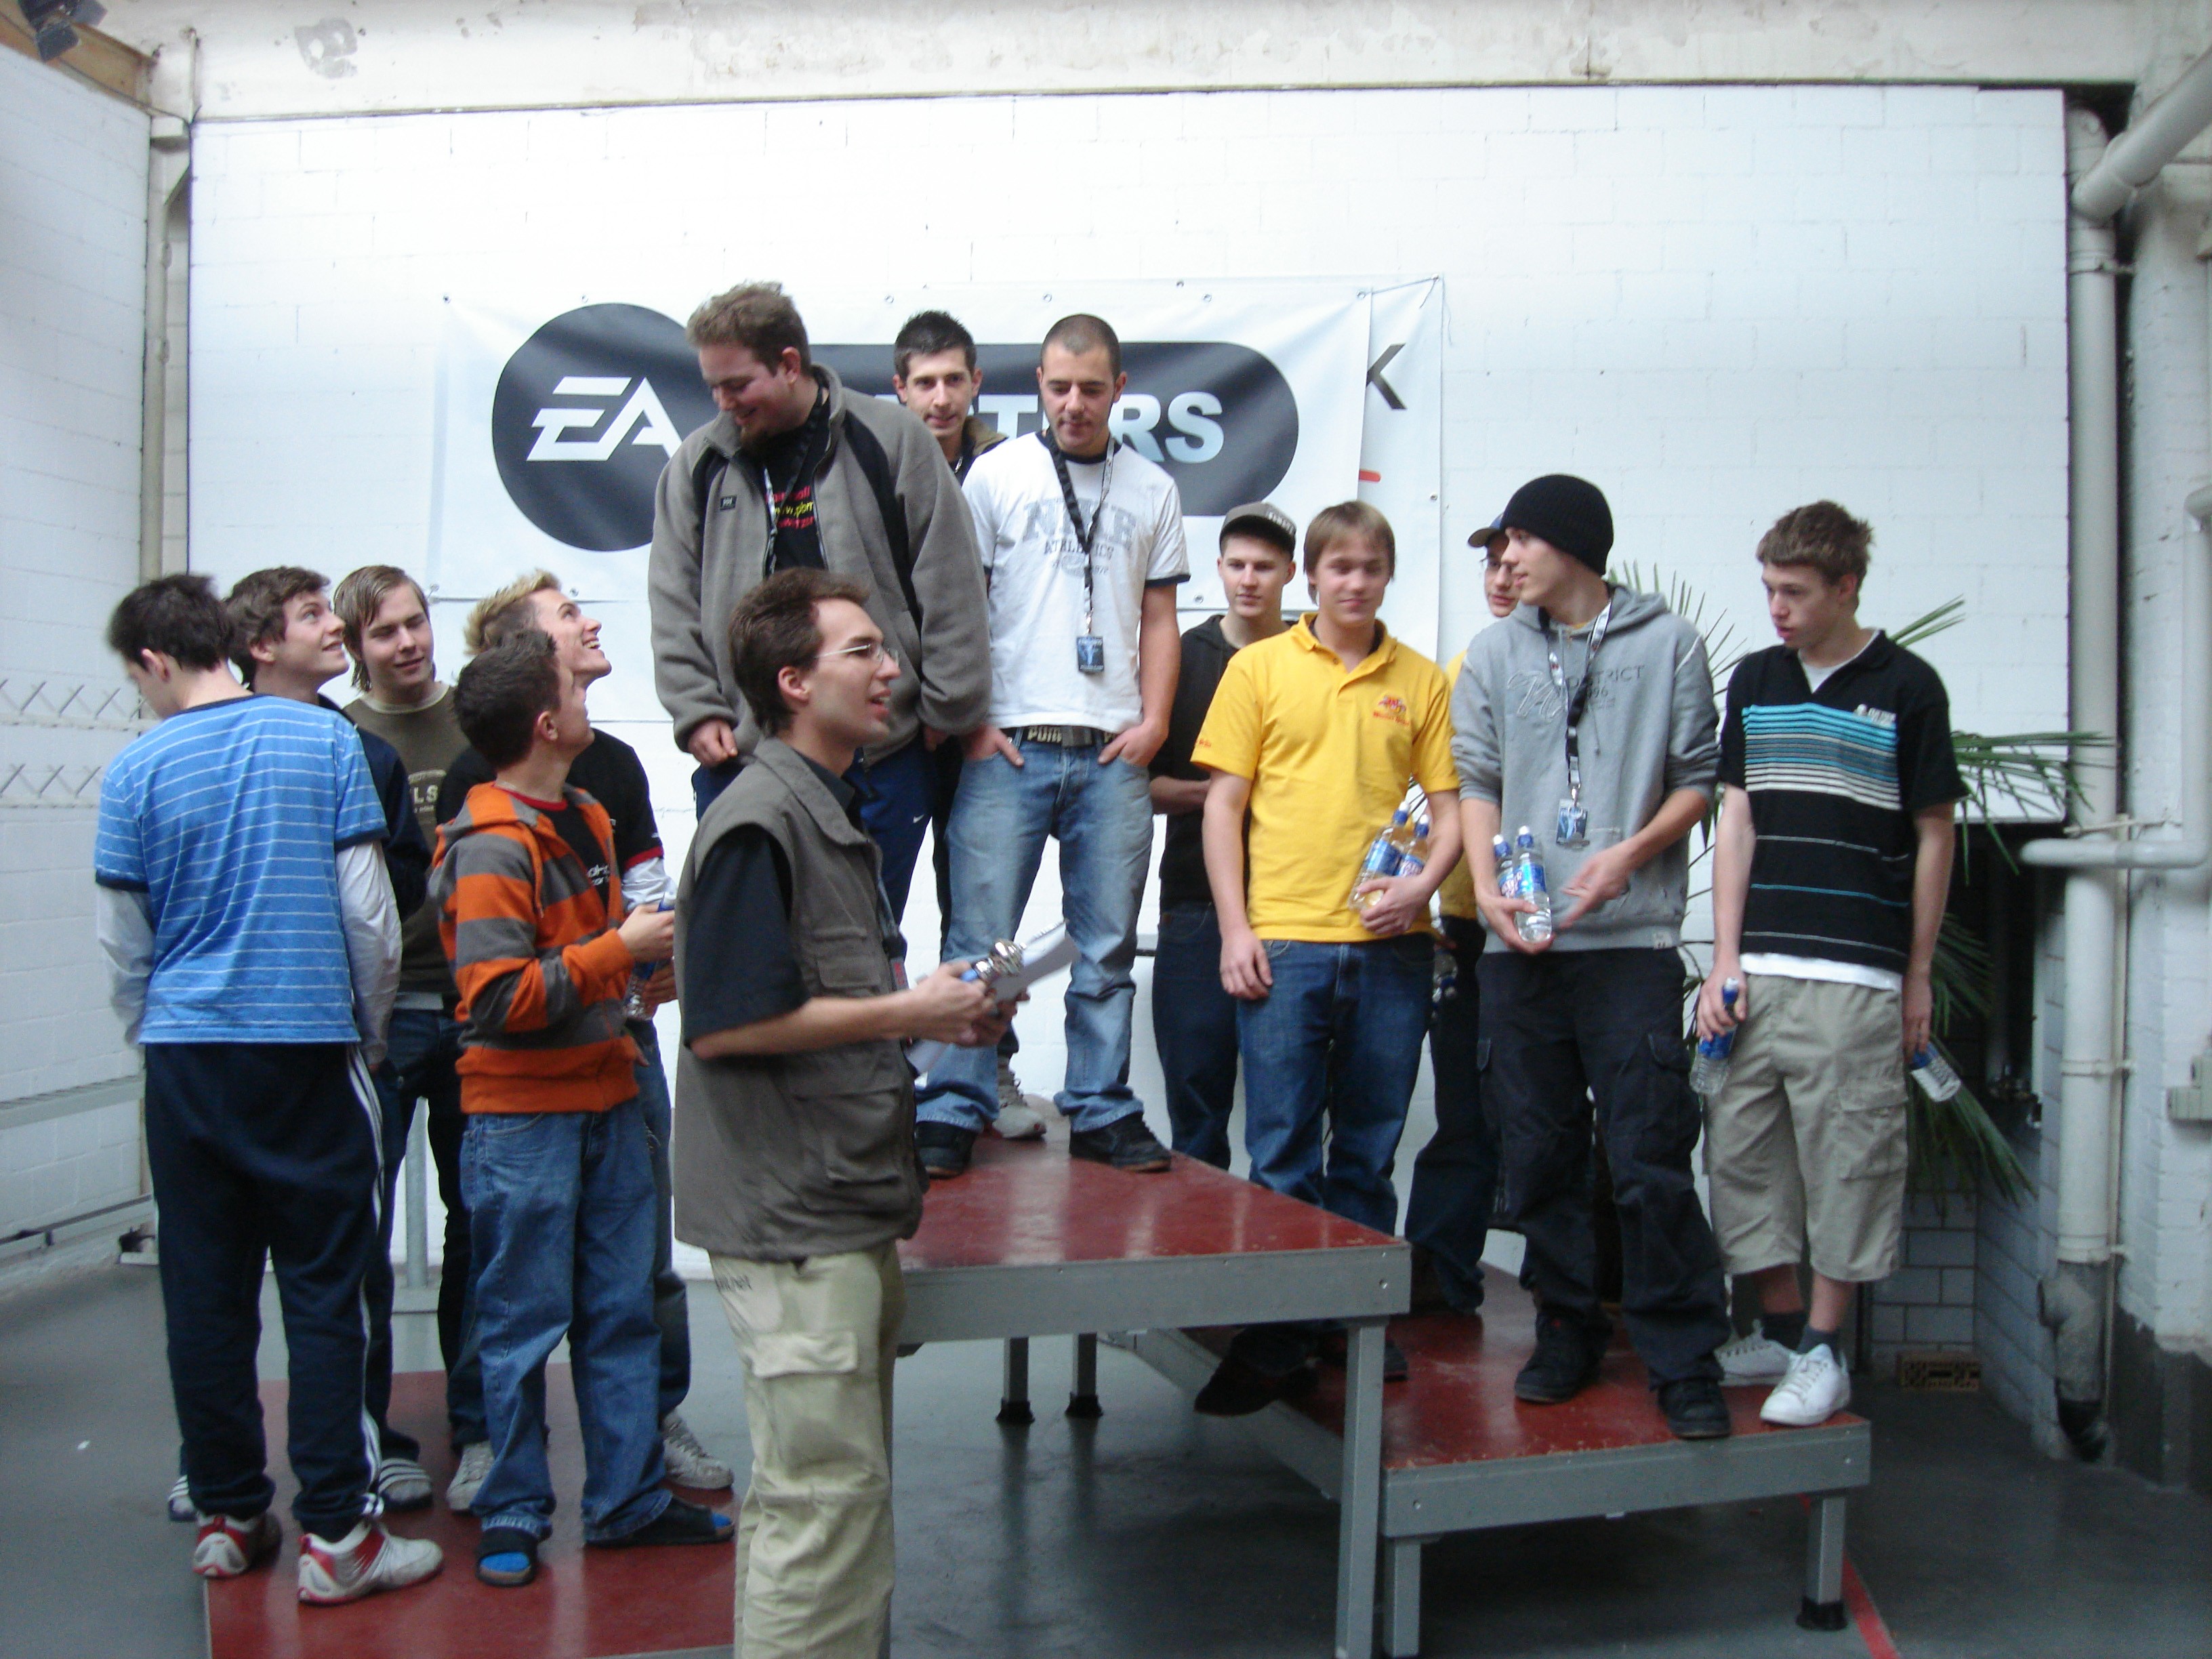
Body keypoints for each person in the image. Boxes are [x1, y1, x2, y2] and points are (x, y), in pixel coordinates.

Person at [672, 569, 1010, 1659]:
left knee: (836, 1497)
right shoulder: (758, 821)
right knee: (819, 1507)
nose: (891, 672)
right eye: (862, 651)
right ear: (791, 681)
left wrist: (939, 1020)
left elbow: (822, 1006)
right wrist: (910, 1009)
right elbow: (726, 1026)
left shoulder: (826, 809)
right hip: (793, 1218)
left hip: (838, 1200)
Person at [94, 573, 441, 1602]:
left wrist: (158, 1032)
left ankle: (229, 1513)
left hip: (186, 1063)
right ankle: (338, 1536)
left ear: (154, 661)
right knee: (328, 1292)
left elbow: (123, 944)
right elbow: (370, 917)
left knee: (204, 1294)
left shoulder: (134, 769)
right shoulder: (326, 742)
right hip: (307, 1051)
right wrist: (366, 1033)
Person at [432, 631, 732, 1587]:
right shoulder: (488, 843)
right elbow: (495, 1000)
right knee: (520, 1321)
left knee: (621, 1309)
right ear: (545, 723)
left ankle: (627, 1501)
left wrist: (644, 975)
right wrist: (619, 952)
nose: (587, 689)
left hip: (609, 1097)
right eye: (572, 686)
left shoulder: (590, 814)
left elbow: (587, 962)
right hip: (522, 1120)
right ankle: (514, 1507)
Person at [1453, 473, 1734, 1441]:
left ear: (1572, 544)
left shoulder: (1669, 643)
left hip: (1630, 943)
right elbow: (1477, 777)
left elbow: (1698, 778)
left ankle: (1683, 1357)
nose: (1506, 560)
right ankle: (1567, 1327)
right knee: (1538, 1153)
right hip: (1521, 944)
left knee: (1649, 1155)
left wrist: (1629, 854)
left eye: (1520, 541)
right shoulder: (1494, 651)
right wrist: (1486, 887)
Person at [1189, 502, 1462, 1411]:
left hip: (1391, 951)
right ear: (1312, 576)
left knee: (1369, 1149)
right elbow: (1223, 806)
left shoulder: (1421, 681)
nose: (1354, 582)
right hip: (1284, 943)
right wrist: (1236, 930)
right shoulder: (1259, 668)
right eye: (1339, 567)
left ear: (1388, 576)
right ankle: (1282, 1330)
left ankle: (1355, 1320)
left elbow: (1451, 812)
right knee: (1280, 1151)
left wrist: (1421, 890)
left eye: (1370, 568)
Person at [1696, 501, 1963, 1427]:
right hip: (1756, 971)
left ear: (1847, 587)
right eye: (1769, 589)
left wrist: (1916, 974)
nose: (1777, 608)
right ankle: (1778, 1329)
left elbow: (1936, 835)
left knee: (1849, 1164)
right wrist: (1723, 959)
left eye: (1796, 592)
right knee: (1742, 1154)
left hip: (1856, 976)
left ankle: (1823, 1351)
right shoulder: (1757, 678)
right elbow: (1737, 817)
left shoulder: (1908, 686)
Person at [912, 313, 1187, 1178]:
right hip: (1010, 747)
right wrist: (971, 720)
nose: (1074, 405)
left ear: (1120, 390)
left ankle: (1100, 1106)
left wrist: (1154, 724)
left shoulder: (1153, 488)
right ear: (1037, 383)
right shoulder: (996, 474)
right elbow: (956, 605)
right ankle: (952, 1106)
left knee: (1106, 948)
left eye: (1092, 389)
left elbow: (1160, 618)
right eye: (1060, 388)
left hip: (1112, 752)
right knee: (979, 942)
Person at [647, 281, 992, 921]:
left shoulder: (889, 438)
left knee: (865, 936)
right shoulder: (699, 463)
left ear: (788, 364)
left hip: (881, 755)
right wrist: (695, 710)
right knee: (757, 934)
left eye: (737, 385)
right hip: (743, 755)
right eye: (713, 387)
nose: (722, 402)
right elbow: (672, 601)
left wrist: (947, 705)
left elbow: (950, 579)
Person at [223, 565, 438, 1513]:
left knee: (350, 1257)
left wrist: (369, 1023)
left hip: (359, 1028)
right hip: (276, 1040)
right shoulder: (215, 742)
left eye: (410, 623)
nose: (388, 641)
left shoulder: (362, 755)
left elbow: (385, 899)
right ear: (260, 644)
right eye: (319, 616)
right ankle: (237, 1464)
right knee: (264, 1257)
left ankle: (375, 1444)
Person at [331, 563, 483, 1497]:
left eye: (416, 622)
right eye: (384, 632)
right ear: (355, 648)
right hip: (381, 1022)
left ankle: (478, 1422)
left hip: (472, 1008)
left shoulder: (476, 718)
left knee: (481, 1223)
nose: (409, 642)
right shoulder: (339, 735)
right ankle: (372, 1435)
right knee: (363, 1233)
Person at [890, 308, 1042, 1141]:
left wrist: (971, 712)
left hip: (984, 726)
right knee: (870, 906)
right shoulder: (875, 467)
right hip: (898, 728)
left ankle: (992, 1066)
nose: (941, 397)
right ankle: (877, 1075)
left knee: (987, 913)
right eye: (925, 382)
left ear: (978, 383)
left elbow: (1015, 608)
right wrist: (919, 705)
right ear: (900, 389)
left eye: (954, 380)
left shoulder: (1010, 469)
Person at [1147, 500, 1298, 1166]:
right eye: (1237, 565)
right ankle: (1194, 1231)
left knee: (1288, 1113)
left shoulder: (1312, 659)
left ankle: (1282, 1232)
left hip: (1296, 907)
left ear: (1291, 571)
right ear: (1218, 568)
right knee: (1196, 1103)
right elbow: (1134, 785)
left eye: (1264, 566)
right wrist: (1222, 798)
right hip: (1195, 903)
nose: (1249, 579)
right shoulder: (1181, 658)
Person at [1403, 521, 1517, 1316]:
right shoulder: (1462, 669)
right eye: (1491, 566)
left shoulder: (1583, 668)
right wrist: (1424, 887)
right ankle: (1440, 1272)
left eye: (1515, 564)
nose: (1501, 579)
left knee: (1545, 1119)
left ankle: (1565, 1287)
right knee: (1464, 1113)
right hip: (1468, 927)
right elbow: (1435, 797)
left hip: (1561, 932)